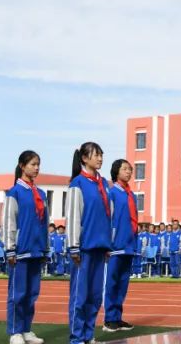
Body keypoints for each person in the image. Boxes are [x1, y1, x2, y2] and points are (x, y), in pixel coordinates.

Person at [66, 142, 112, 344]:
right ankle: (77, 337)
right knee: (80, 296)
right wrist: (74, 245)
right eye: (96, 155)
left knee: (95, 296)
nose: (100, 158)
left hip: (101, 246)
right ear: (84, 158)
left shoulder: (103, 184)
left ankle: (88, 335)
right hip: (84, 248)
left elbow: (109, 215)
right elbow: (73, 215)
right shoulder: (78, 183)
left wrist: (108, 244)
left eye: (101, 155)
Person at [3, 150, 49, 344]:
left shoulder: (41, 194)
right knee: (17, 294)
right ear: (22, 166)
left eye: (38, 164)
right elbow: (9, 222)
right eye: (32, 164)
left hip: (37, 249)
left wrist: (46, 248)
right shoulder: (14, 192)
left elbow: (45, 223)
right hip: (20, 251)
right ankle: (15, 331)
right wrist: (10, 248)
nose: (36, 168)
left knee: (32, 293)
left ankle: (26, 329)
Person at [104, 159, 138, 333]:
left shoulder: (130, 194)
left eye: (130, 169)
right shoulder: (112, 193)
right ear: (116, 172)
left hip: (129, 244)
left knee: (123, 283)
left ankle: (117, 317)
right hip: (115, 245)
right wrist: (108, 243)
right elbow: (108, 219)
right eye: (125, 169)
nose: (129, 172)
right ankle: (109, 319)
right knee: (112, 282)